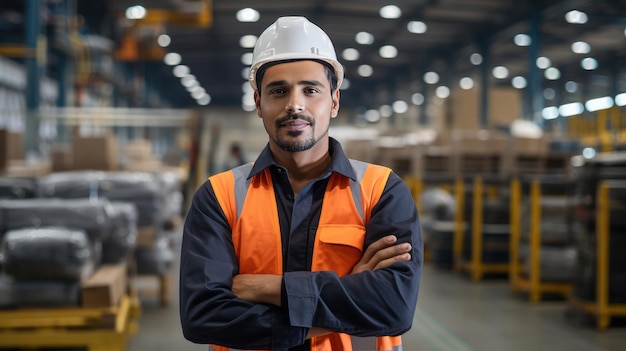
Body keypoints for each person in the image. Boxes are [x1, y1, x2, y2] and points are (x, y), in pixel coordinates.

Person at [179, 16, 423, 351]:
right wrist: (348, 291)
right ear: (259, 103)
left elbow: (393, 308)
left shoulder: (381, 190)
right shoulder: (220, 197)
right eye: (278, 91)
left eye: (311, 90)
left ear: (334, 102)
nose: (295, 104)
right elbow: (203, 315)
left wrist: (268, 288)